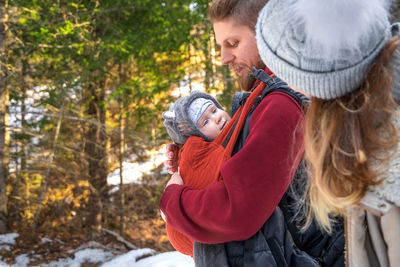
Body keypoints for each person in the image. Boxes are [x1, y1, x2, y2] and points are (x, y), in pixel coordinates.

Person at [160, 0, 345, 266]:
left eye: (233, 43)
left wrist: (172, 199)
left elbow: (236, 209)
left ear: (269, 34)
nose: (224, 58)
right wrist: (189, 158)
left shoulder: (280, 102)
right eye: (221, 46)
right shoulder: (262, 96)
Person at [256, 0, 400, 266]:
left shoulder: (386, 176)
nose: (287, 85)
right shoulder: (371, 133)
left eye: (288, 75)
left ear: (320, 83)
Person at [161, 90, 231, 256]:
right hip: (203, 243)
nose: (218, 117)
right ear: (194, 135)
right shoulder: (197, 156)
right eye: (205, 122)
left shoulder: (231, 136)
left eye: (214, 110)